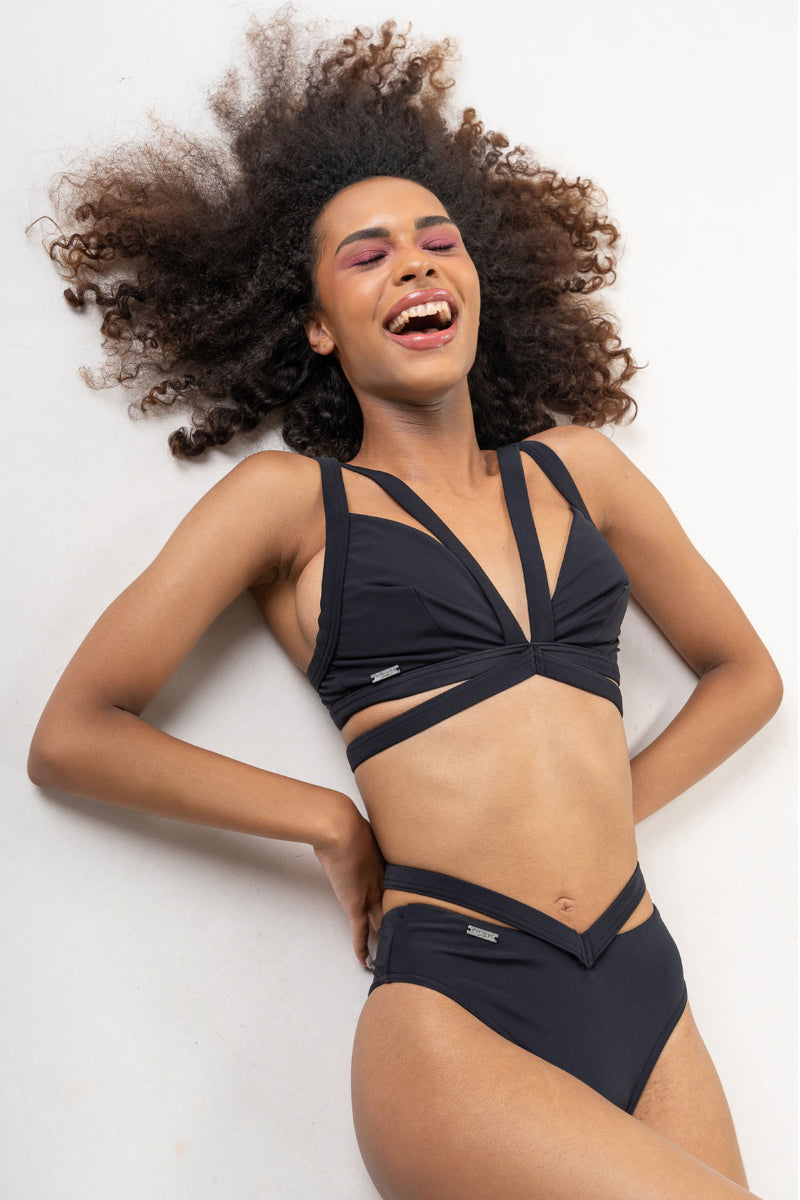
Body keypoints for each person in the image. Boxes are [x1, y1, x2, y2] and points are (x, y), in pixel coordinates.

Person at [27, 13, 782, 1199]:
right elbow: (73, 735)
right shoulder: (288, 503)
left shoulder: (580, 473)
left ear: (479, 283)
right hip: (456, 1012)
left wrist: (609, 811)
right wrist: (328, 822)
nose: (417, 266)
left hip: (642, 974)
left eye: (437, 243)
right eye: (367, 255)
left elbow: (747, 676)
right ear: (317, 326)